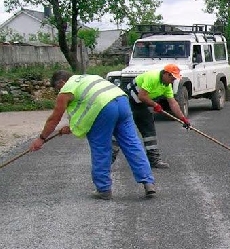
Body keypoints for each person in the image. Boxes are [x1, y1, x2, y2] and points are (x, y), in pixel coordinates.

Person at [29, 71, 157, 200]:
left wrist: (41, 138)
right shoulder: (90, 78)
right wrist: (72, 127)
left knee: (101, 148)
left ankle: (104, 189)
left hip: (104, 107)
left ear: (62, 82)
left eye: (57, 89)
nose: (59, 92)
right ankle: (148, 182)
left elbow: (54, 119)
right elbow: (86, 110)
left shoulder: (67, 89)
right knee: (132, 144)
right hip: (122, 102)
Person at [112, 64, 190, 168]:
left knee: (149, 129)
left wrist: (183, 118)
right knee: (123, 129)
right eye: (172, 78)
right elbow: (142, 95)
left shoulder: (166, 86)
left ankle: (154, 160)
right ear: (166, 74)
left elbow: (173, 103)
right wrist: (155, 105)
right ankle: (108, 159)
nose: (173, 81)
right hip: (127, 101)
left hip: (140, 104)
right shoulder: (152, 77)